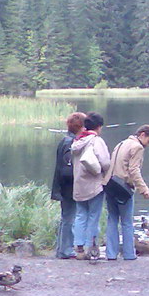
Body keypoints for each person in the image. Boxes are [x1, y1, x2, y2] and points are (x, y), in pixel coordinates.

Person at [104, 124, 149, 261]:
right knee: (127, 222)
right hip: (123, 187)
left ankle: (111, 253)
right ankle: (128, 254)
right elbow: (134, 170)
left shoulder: (121, 143)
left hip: (110, 184)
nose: (148, 145)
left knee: (112, 219)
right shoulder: (137, 147)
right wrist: (143, 189)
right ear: (142, 135)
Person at [69, 112, 111, 260]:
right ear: (99, 127)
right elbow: (105, 162)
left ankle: (78, 247)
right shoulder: (96, 141)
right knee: (94, 217)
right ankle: (90, 248)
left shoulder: (76, 142)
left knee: (80, 215)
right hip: (94, 185)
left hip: (79, 185)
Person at [50, 111, 86, 259]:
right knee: (69, 218)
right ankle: (66, 250)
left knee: (66, 218)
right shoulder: (70, 143)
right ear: (80, 126)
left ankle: (61, 249)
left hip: (63, 186)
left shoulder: (65, 140)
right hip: (68, 187)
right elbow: (67, 169)